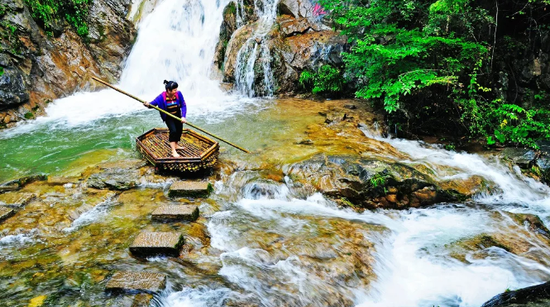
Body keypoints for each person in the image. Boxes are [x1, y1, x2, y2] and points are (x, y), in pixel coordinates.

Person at [144, 80, 187, 158]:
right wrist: (147, 104)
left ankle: (176, 145)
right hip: (168, 117)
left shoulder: (178, 94)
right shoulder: (161, 97)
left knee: (179, 130)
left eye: (176, 89)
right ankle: (173, 151)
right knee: (173, 131)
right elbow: (152, 104)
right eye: (174, 90)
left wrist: (183, 116)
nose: (176, 91)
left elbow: (183, 105)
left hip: (177, 115)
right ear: (168, 90)